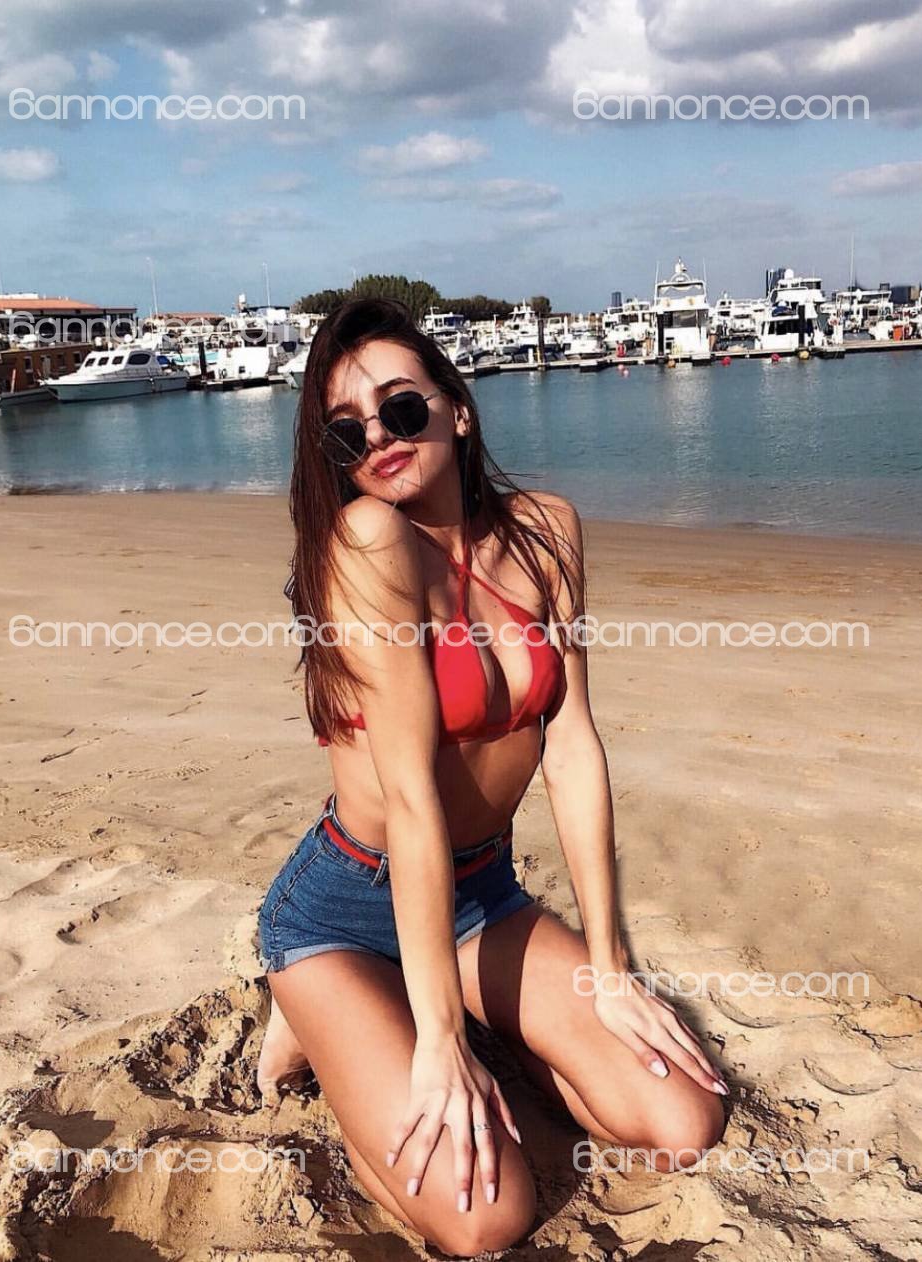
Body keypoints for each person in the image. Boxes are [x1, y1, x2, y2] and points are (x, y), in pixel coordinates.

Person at [256, 298, 726, 1256]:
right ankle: (329, 1023)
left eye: (401, 408)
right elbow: (412, 801)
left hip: (479, 894)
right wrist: (439, 1046)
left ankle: (435, 1021)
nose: (378, 438)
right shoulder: (368, 544)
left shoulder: (549, 530)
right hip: (347, 908)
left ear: (459, 409)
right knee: (486, 1220)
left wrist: (611, 969)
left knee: (683, 1121)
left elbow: (575, 744)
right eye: (347, 430)